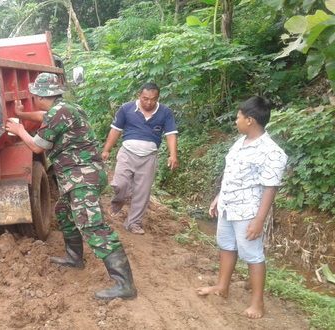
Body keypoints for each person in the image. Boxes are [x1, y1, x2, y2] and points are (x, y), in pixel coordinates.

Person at [5, 73, 137, 300]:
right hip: (77, 175)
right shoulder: (64, 108)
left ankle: (125, 285)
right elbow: (43, 115)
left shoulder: (59, 112)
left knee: (92, 226)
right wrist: (22, 114)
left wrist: (19, 130)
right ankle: (74, 258)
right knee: (64, 213)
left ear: (39, 96)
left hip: (81, 176)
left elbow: (37, 147)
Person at [196, 96, 287, 319]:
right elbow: (232, 174)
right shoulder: (240, 142)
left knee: (252, 255)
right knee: (226, 246)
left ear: (250, 120)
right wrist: (219, 196)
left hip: (248, 211)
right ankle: (222, 287)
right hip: (229, 206)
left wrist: (259, 220)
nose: (235, 121)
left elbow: (270, 188)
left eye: (238, 117)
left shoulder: (272, 152)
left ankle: (257, 304)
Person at [101, 83, 178, 235]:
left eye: (153, 99)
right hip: (127, 153)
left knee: (142, 192)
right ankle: (117, 204)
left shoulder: (165, 112)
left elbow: (171, 134)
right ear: (139, 95)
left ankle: (133, 223)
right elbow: (115, 130)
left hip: (149, 157)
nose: (149, 102)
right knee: (120, 184)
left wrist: (173, 155)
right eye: (145, 99)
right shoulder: (126, 109)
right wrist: (106, 150)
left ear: (158, 98)